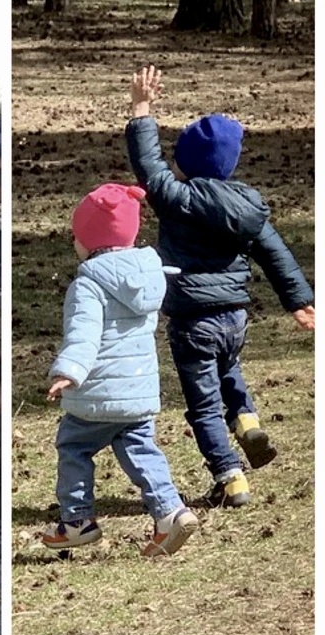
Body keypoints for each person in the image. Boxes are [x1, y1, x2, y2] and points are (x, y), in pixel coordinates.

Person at [126, 65, 315, 508]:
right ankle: (247, 420)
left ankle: (230, 478)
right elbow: (276, 253)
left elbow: (148, 166)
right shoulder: (247, 208)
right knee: (229, 370)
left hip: (192, 321)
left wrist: (141, 108)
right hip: (234, 317)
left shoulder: (178, 200)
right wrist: (300, 300)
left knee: (204, 405)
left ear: (187, 164)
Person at [44, 183, 198, 557]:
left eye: (76, 237)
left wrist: (68, 372)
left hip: (96, 395)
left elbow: (84, 334)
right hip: (139, 392)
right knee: (142, 449)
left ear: (90, 241)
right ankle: (171, 514)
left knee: (73, 447)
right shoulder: (149, 273)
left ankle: (77, 520)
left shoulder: (88, 284)